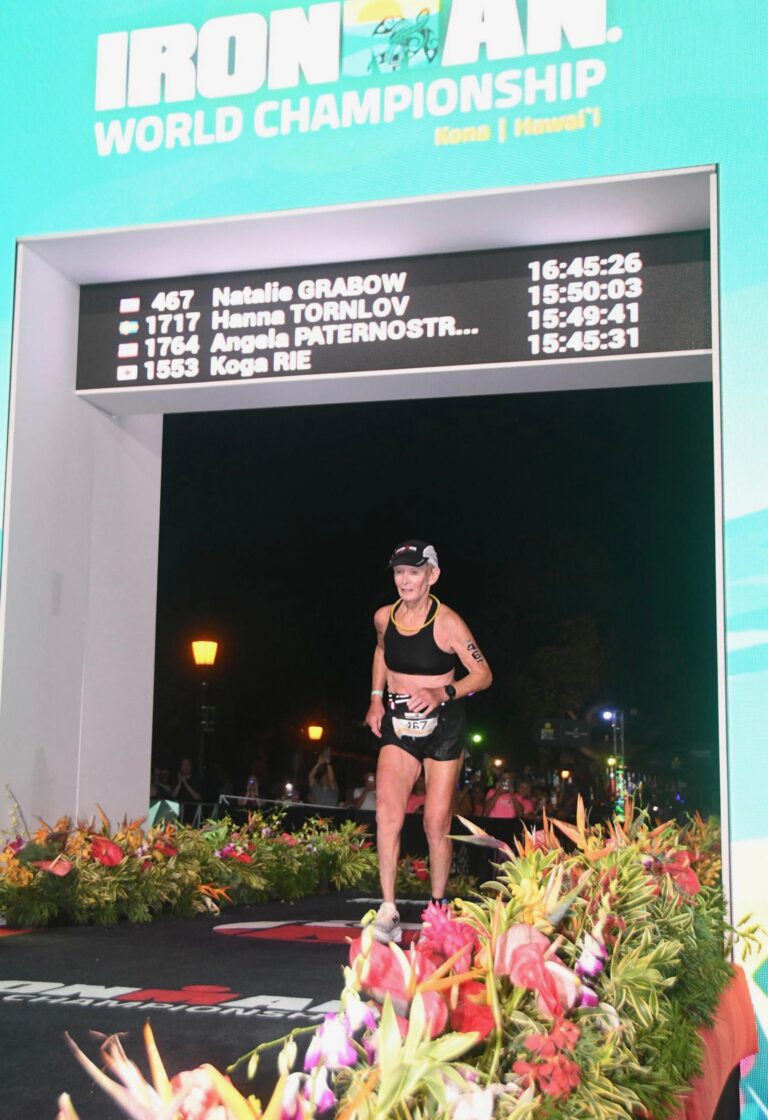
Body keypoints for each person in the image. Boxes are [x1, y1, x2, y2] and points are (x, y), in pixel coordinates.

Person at [365, 540, 492, 943]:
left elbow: (483, 674)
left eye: (414, 572)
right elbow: (382, 652)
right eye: (399, 572)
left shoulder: (448, 622)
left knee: (435, 822)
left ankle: (437, 908)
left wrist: (443, 692)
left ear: (432, 575)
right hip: (399, 720)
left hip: (443, 723)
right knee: (388, 812)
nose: (405, 580)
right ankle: (388, 909)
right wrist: (375, 699)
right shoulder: (383, 617)